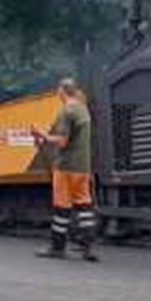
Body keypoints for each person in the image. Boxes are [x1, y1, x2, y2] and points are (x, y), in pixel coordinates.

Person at [31, 78, 98, 262]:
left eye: (58, 91)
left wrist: (42, 135)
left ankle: (57, 247)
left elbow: (62, 141)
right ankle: (88, 248)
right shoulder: (83, 108)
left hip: (66, 166)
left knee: (62, 207)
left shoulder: (67, 111)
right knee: (84, 206)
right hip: (83, 167)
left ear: (62, 91)